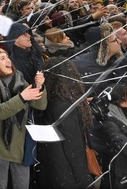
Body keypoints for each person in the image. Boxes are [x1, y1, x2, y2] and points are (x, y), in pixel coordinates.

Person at [0, 46, 47, 189]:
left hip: (20, 144)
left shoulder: (20, 79)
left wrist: (39, 86)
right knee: (1, 184)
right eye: (2, 58)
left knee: (22, 185)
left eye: (8, 57)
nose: (8, 60)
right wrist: (22, 97)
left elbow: (40, 105)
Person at [37, 58, 94, 189]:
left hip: (51, 168)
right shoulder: (63, 105)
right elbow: (73, 145)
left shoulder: (49, 100)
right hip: (66, 172)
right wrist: (84, 178)